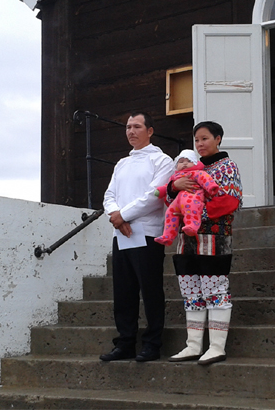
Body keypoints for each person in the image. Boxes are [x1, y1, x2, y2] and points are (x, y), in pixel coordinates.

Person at [165, 121, 242, 365]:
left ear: (218, 139)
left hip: (214, 239)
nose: (199, 144)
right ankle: (193, 345)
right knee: (190, 291)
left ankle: (217, 347)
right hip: (186, 240)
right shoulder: (190, 169)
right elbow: (170, 200)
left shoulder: (227, 166)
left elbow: (230, 201)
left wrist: (194, 213)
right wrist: (173, 186)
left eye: (205, 138)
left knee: (215, 290)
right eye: (196, 140)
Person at [99, 112, 174, 363]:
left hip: (148, 232)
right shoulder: (121, 163)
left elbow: (154, 196)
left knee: (150, 290)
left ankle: (152, 344)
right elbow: (109, 195)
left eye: (137, 126)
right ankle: (126, 342)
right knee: (123, 291)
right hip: (121, 234)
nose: (131, 131)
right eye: (128, 127)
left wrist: (123, 215)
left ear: (150, 131)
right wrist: (116, 216)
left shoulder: (162, 160)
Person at [154, 149, 219, 246]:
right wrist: (161, 191)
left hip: (193, 196)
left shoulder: (195, 172)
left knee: (190, 207)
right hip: (178, 201)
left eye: (189, 161)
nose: (185, 164)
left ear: (195, 163)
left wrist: (211, 187)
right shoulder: (175, 177)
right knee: (169, 212)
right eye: (181, 162)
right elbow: (167, 186)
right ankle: (168, 236)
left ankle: (192, 226)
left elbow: (204, 178)